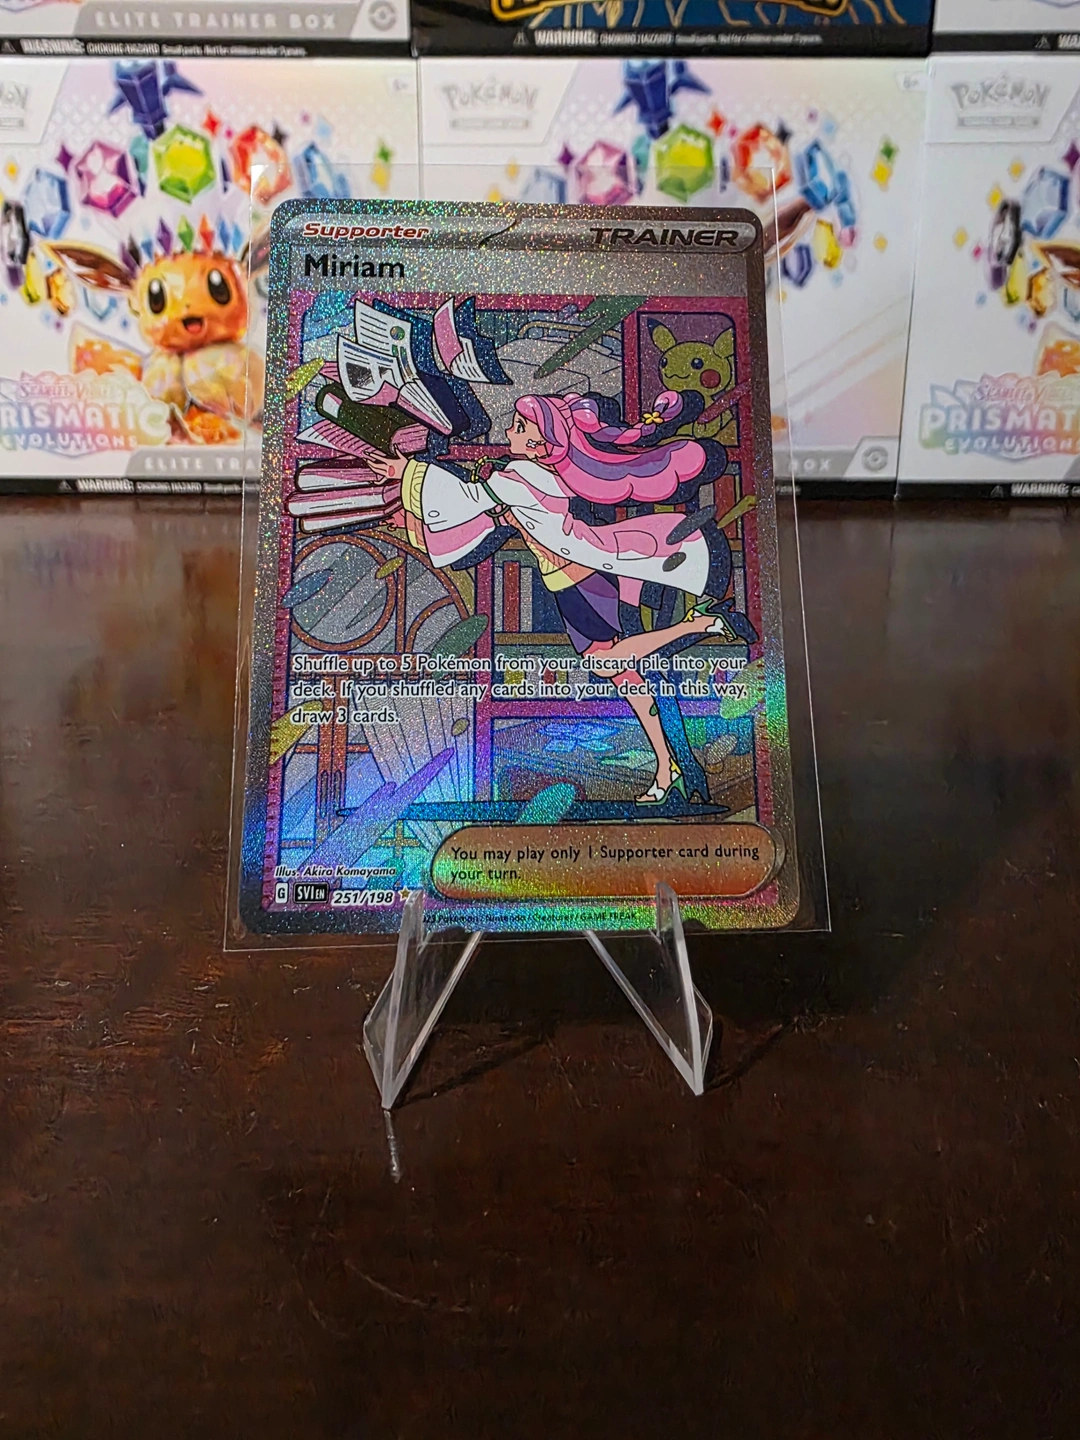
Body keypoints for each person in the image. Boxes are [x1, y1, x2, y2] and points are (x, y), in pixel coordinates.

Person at [367, 390, 755, 804]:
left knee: (607, 663)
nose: (508, 432)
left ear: (540, 444)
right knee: (627, 678)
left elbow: (465, 499)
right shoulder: (534, 476)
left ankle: (706, 624)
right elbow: (486, 514)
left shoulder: (520, 476)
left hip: (582, 582)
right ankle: (667, 767)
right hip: (571, 582)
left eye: (519, 427)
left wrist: (408, 472)